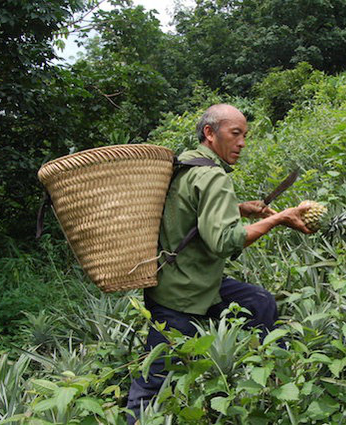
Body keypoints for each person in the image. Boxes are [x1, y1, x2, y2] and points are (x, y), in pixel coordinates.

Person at [126, 104, 312, 423]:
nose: (241, 143)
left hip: (182, 281)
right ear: (210, 133)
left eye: (245, 135)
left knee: (259, 303)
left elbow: (188, 211)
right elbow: (224, 241)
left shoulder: (185, 163)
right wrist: (279, 218)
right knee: (155, 383)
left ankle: (260, 381)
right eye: (235, 133)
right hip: (183, 294)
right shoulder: (212, 176)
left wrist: (237, 208)